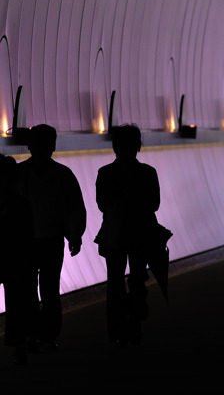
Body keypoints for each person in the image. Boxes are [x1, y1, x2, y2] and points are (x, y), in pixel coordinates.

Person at [19, 124, 86, 350]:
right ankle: (48, 334)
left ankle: (30, 333)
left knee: (28, 289)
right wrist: (74, 235)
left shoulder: (19, 174)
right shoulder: (63, 175)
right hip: (52, 239)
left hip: (25, 241)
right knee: (50, 289)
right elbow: (74, 208)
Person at [95, 124, 161, 346]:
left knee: (115, 281)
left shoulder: (105, 174)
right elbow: (154, 204)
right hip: (142, 232)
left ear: (114, 147)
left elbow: (103, 205)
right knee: (137, 278)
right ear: (138, 146)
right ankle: (136, 321)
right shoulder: (148, 173)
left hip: (115, 233)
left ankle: (116, 328)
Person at [0, 153, 32, 364]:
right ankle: (18, 344)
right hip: (15, 259)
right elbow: (27, 235)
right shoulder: (21, 203)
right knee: (15, 303)